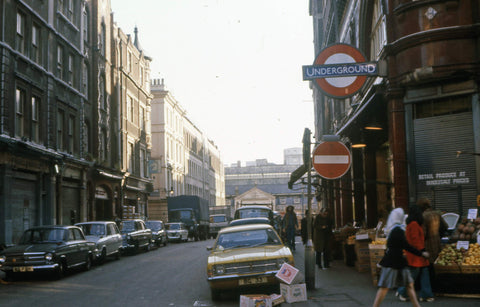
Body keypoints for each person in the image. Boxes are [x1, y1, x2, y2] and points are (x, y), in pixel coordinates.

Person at [372, 208, 429, 307]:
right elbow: (405, 245)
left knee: (408, 285)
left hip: (396, 262)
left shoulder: (393, 229)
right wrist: (421, 253)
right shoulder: (397, 230)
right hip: (394, 262)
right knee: (388, 287)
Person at [396, 205, 434, 302]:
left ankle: (425, 294)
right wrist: (422, 251)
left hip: (416, 254)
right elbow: (415, 240)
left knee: (422, 273)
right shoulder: (414, 225)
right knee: (414, 274)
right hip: (416, 254)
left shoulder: (413, 224)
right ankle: (403, 291)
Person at [417, 197, 449, 291]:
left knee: (428, 267)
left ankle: (430, 288)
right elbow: (445, 226)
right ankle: (437, 286)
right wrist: (439, 235)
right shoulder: (437, 214)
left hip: (427, 246)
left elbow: (423, 234)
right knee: (436, 265)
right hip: (437, 243)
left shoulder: (423, 216)